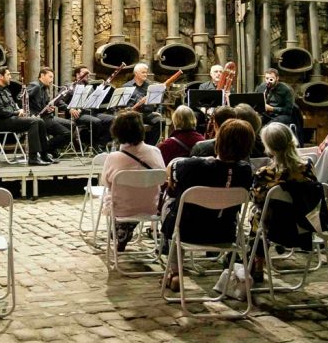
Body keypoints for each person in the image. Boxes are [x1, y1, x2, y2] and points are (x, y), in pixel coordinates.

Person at [161, 118, 255, 291]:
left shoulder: (194, 166)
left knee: (170, 204)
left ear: (218, 141)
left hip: (188, 231)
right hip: (225, 232)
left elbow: (172, 168)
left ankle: (174, 271)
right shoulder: (246, 171)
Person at [248, 122, 319, 281]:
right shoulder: (308, 166)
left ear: (269, 147)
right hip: (304, 224)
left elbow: (255, 199)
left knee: (257, 215)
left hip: (275, 227)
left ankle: (258, 262)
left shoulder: (265, 174)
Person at [100, 110, 166, 251]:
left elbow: (105, 182)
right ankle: (125, 227)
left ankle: (122, 227)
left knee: (112, 195)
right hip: (151, 207)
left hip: (121, 209)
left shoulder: (113, 157)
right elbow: (162, 179)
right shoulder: (155, 151)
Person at [0, 66, 52, 166]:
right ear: (0, 76)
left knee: (39, 121)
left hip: (11, 119)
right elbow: (1, 111)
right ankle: (33, 158)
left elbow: (11, 107)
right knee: (34, 122)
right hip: (1, 122)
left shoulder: (6, 90)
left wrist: (20, 112)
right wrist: (17, 112)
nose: (10, 77)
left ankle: (44, 155)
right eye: (8, 75)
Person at [58, 65, 113, 149]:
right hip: (77, 115)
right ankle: (92, 144)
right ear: (77, 74)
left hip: (92, 113)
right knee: (96, 122)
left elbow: (95, 103)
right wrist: (70, 109)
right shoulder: (69, 86)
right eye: (85, 73)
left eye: (88, 73)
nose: (88, 75)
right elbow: (58, 101)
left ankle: (101, 144)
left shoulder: (89, 87)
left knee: (113, 119)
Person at [27, 66, 72, 161]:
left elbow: (43, 105)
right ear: (42, 75)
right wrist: (31, 114)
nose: (52, 80)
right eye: (50, 77)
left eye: (53, 77)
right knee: (66, 134)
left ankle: (50, 149)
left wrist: (49, 109)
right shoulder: (35, 86)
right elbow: (21, 97)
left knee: (71, 125)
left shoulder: (44, 88)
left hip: (47, 116)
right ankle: (46, 149)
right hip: (39, 118)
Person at [120, 62, 164, 145]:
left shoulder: (150, 86)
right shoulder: (126, 86)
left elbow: (160, 103)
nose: (145, 75)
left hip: (147, 114)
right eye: (143, 72)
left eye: (146, 72)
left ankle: (150, 145)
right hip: (133, 115)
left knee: (160, 122)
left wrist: (158, 111)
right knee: (132, 123)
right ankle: (134, 145)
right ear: (136, 73)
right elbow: (121, 105)